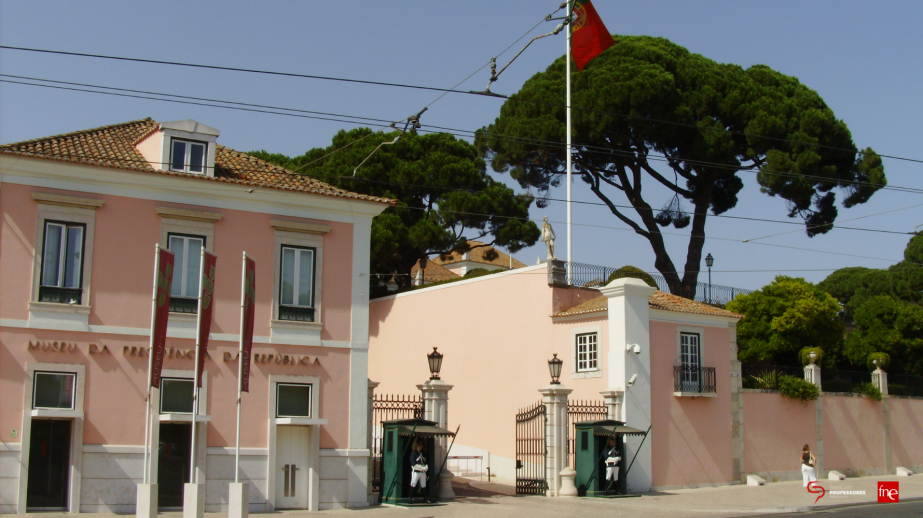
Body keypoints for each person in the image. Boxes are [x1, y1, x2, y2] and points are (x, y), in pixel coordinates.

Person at [408, 440, 430, 504]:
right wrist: (421, 467)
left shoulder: (422, 454)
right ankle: (410, 498)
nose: (421, 447)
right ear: (416, 446)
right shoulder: (413, 454)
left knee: (423, 485)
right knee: (413, 484)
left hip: (422, 472)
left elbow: (425, 462)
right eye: (420, 446)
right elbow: (413, 464)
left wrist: (426, 467)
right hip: (416, 472)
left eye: (421, 446)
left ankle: (425, 498)